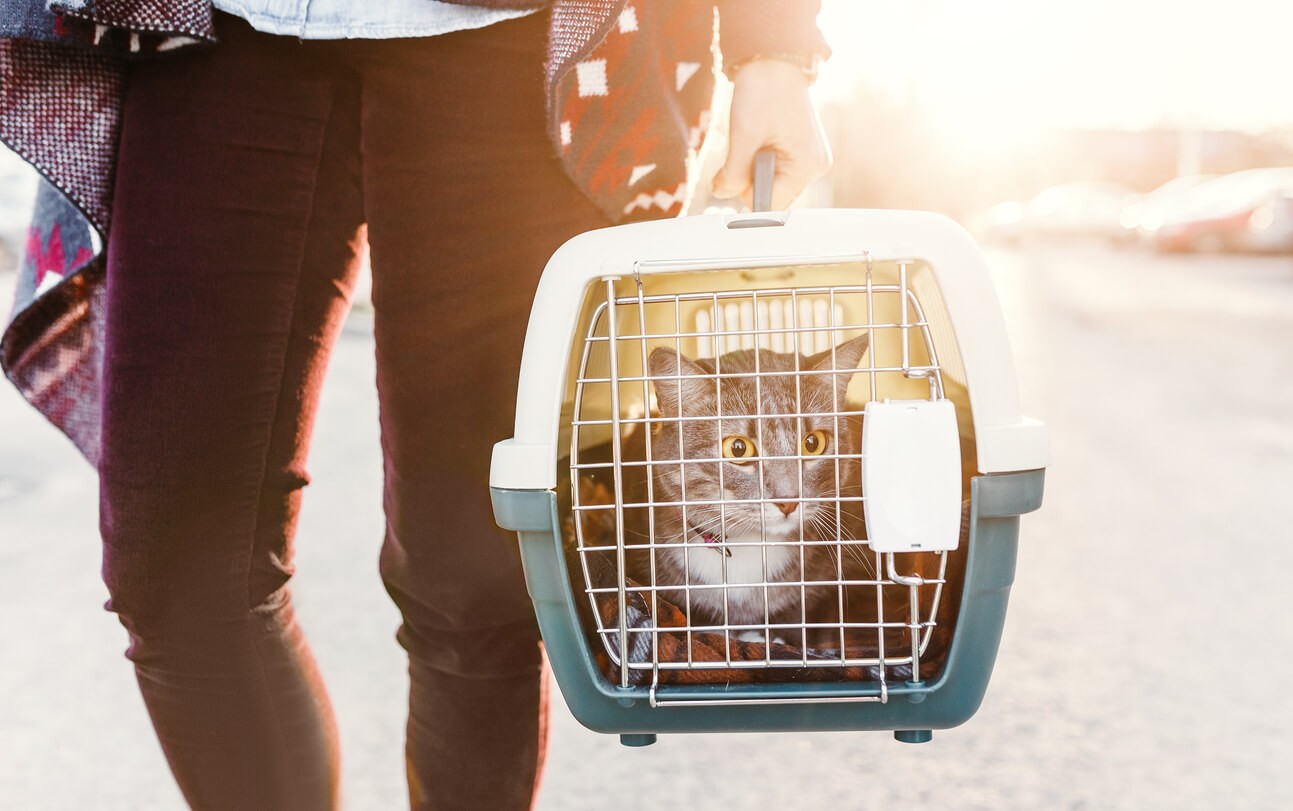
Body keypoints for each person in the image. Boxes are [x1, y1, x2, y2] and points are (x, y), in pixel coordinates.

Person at [0, 0, 831, 808]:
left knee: (477, 580)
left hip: (507, 42)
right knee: (178, 576)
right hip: (217, 33)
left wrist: (772, 43)